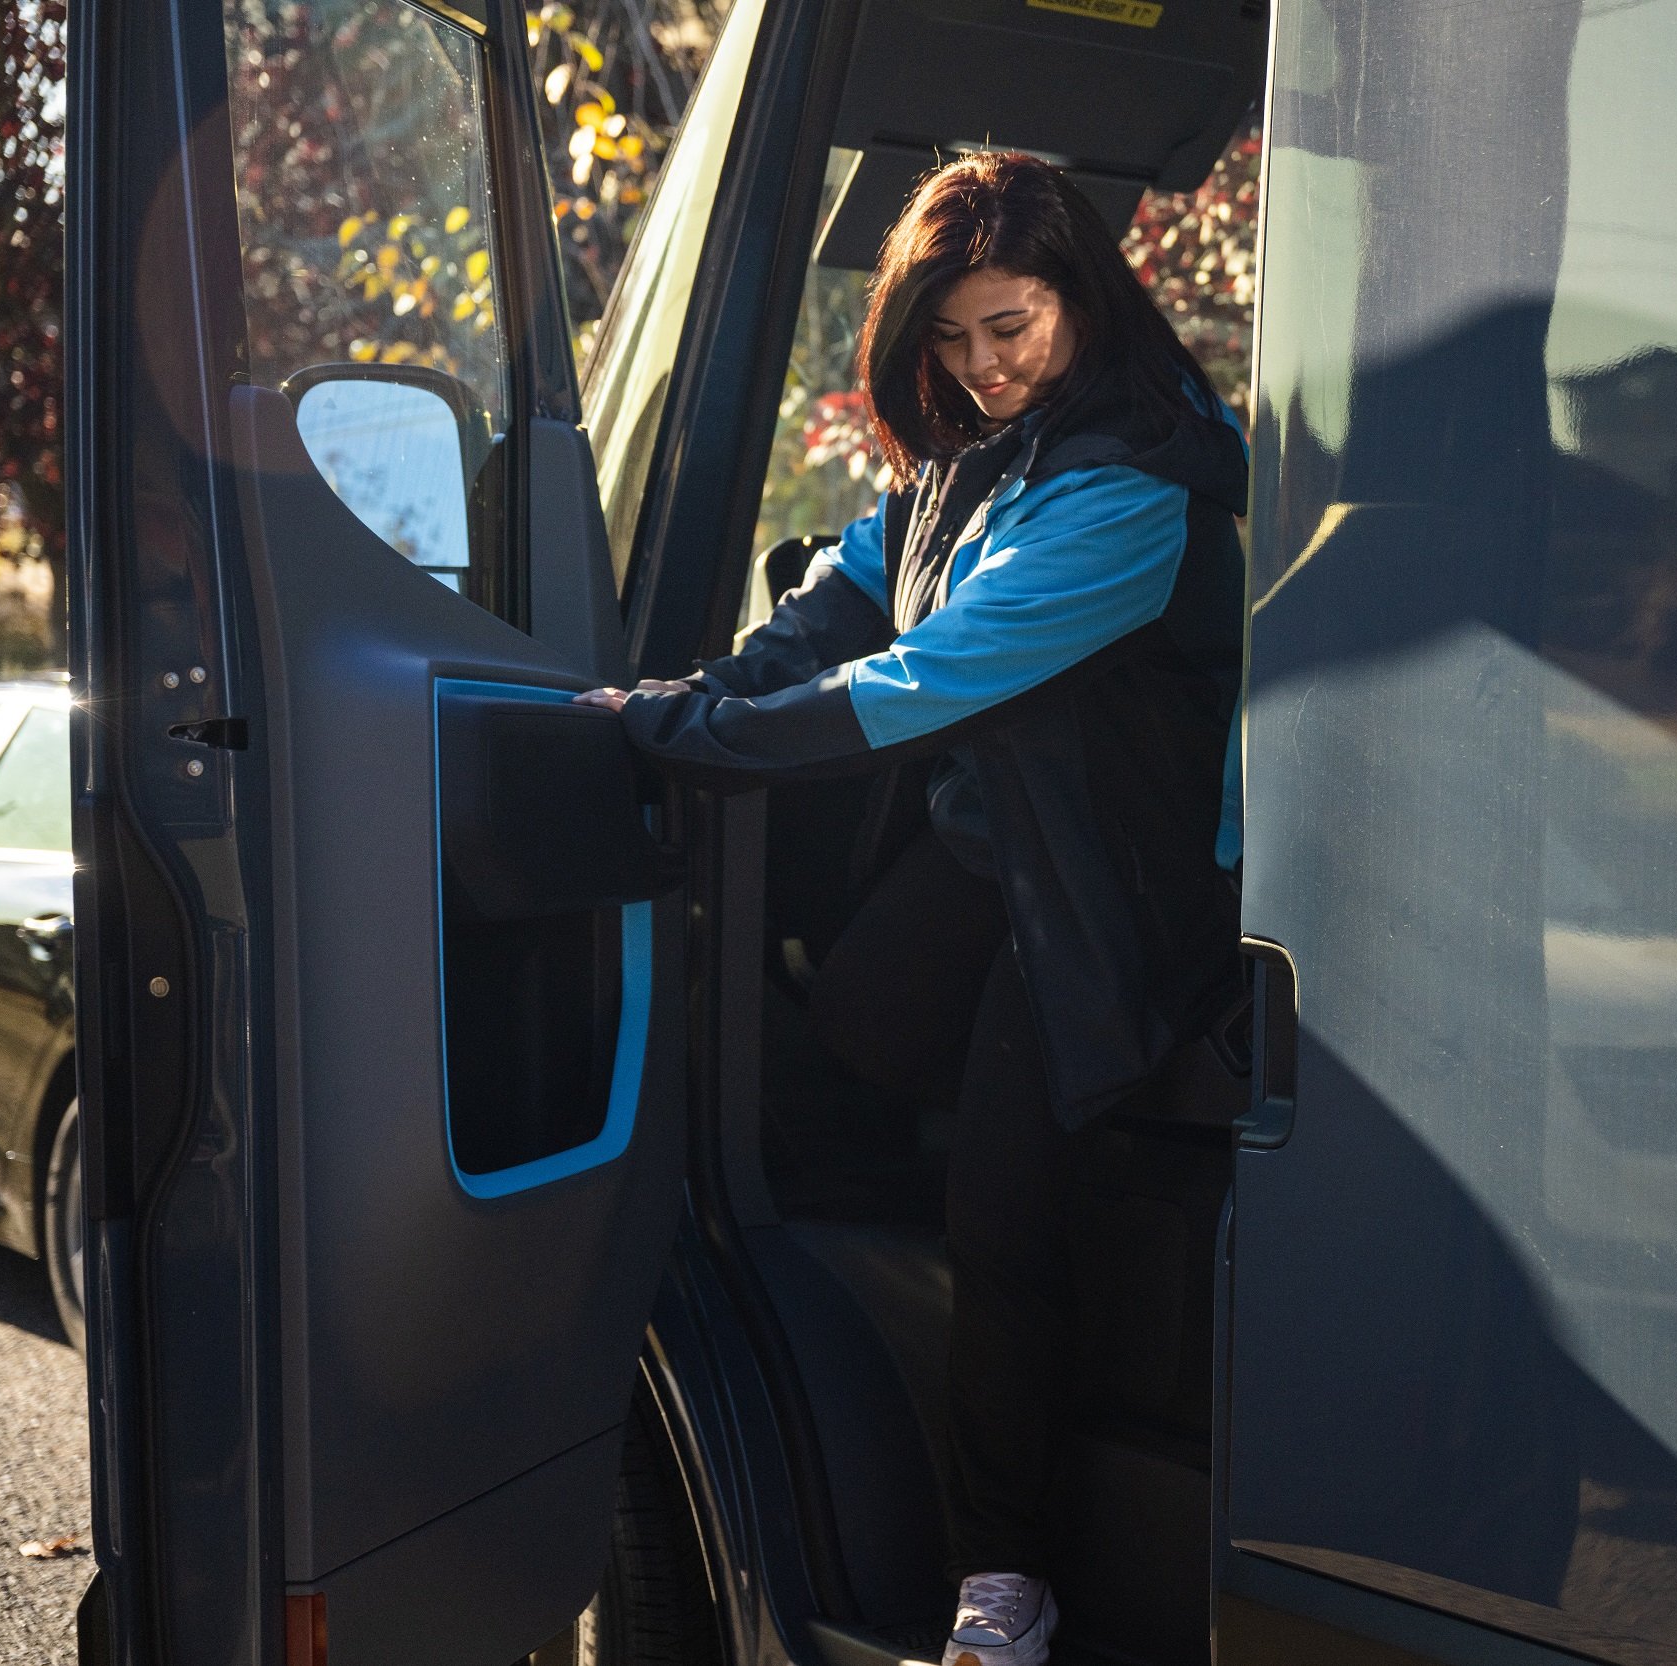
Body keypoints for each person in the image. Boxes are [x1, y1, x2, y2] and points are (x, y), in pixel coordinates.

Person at [576, 151, 1248, 1666]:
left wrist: (683, 742)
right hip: (1000, 842)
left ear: (1083, 300)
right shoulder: (967, 453)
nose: (979, 367)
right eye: (948, 340)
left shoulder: (1136, 490)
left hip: (1110, 898)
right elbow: (846, 600)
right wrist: (691, 689)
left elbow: (909, 686)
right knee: (857, 1033)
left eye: (1007, 327)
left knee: (1000, 1210)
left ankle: (1006, 1578)